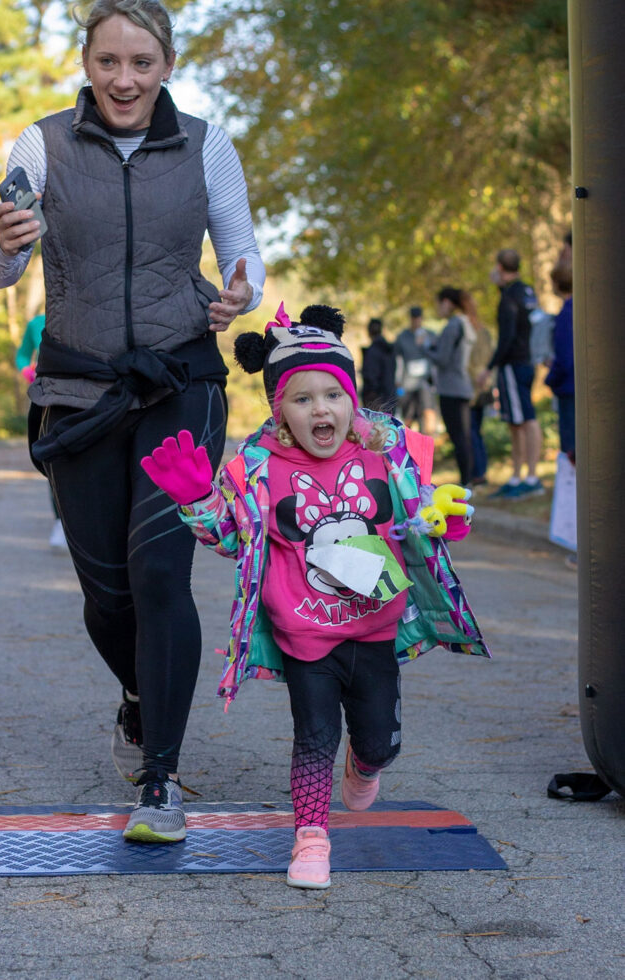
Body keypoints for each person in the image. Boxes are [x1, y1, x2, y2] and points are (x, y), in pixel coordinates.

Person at [0, 0, 266, 843]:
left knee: (159, 573)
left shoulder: (206, 142)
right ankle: (142, 696)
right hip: (78, 388)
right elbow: (3, 268)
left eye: (141, 62)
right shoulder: (44, 143)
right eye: (109, 61)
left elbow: (240, 250)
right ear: (88, 62)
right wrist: (4, 241)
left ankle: (162, 780)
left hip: (181, 380)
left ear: (167, 64)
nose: (124, 79)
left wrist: (240, 289)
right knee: (104, 590)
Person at [141, 302, 489, 888]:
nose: (320, 409)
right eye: (302, 400)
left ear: (351, 400)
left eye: (332, 394)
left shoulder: (387, 453)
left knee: (379, 741)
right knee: (314, 736)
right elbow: (230, 537)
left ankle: (367, 760)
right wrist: (198, 499)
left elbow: (424, 512)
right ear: (281, 412)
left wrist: (445, 522)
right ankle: (310, 838)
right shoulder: (257, 468)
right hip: (304, 634)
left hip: (375, 629)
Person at [477, 248, 544, 498]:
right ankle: (518, 476)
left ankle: (531, 477)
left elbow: (506, 337)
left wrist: (489, 367)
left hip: (513, 365)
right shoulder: (527, 292)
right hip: (527, 362)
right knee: (517, 421)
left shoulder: (508, 299)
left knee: (525, 419)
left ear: (500, 268)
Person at [15, 312, 67, 549]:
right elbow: (22, 355)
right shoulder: (36, 323)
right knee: (53, 456)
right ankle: (59, 522)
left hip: (88, 396)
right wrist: (27, 371)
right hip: (47, 397)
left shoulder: (87, 311)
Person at [427, 287, 476, 487]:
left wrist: (426, 348)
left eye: (439, 304)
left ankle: (466, 482)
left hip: (451, 388)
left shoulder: (453, 325)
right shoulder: (466, 322)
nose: (438, 309)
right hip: (463, 386)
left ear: (446, 302)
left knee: (459, 437)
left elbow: (442, 358)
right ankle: (469, 479)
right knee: (464, 436)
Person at [461, 290, 494, 486]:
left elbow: (470, 363)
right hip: (484, 386)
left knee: (471, 431)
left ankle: (477, 472)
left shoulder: (471, 333)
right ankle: (480, 471)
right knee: (476, 431)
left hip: (472, 387)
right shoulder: (485, 331)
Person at [545, 263, 574, 458]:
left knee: (572, 448)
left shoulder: (566, 315)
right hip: (576, 386)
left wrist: (550, 379)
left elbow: (565, 358)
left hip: (569, 388)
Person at [394, 306, 437, 435]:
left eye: (418, 318)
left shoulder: (430, 335)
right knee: (408, 414)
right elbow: (398, 360)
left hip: (425, 381)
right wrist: (398, 380)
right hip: (408, 382)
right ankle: (409, 443)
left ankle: (428, 441)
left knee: (427, 411)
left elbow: (436, 356)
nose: (416, 321)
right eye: (414, 319)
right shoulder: (402, 337)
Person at [360, 316, 397, 413]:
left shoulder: (372, 351)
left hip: (376, 400)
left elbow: (370, 376)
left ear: (369, 332)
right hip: (390, 396)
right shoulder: (390, 350)